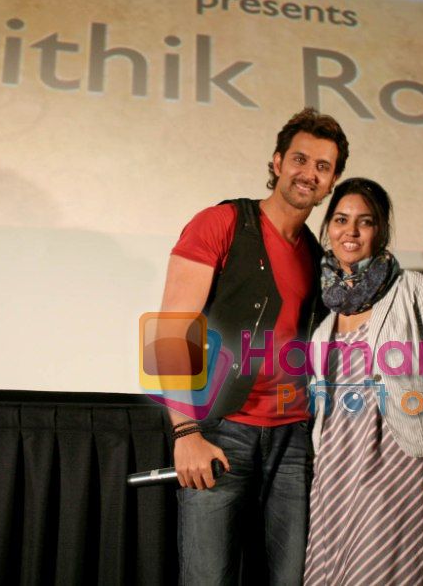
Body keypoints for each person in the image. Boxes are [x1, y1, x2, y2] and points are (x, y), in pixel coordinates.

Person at [154, 108, 349, 585]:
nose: (309, 174)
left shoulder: (319, 258)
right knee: (208, 578)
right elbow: (170, 331)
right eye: (300, 159)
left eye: (323, 167)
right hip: (220, 433)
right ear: (278, 161)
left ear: (332, 181)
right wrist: (185, 433)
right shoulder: (221, 222)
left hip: (294, 442)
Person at [304, 178, 423, 585]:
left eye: (365, 222)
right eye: (342, 219)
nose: (351, 231)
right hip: (334, 479)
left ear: (380, 230)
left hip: (397, 472)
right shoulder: (322, 324)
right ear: (328, 228)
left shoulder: (415, 290)